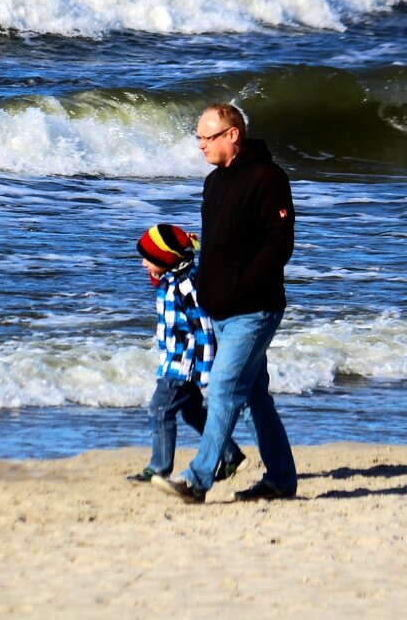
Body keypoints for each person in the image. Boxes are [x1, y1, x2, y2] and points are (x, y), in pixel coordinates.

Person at [153, 103, 297, 503]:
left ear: (232, 135)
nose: (200, 145)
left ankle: (197, 481)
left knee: (222, 389)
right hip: (218, 310)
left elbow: (279, 245)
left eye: (206, 137)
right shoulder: (214, 182)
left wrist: (240, 287)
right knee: (254, 398)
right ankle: (282, 479)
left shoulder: (269, 178)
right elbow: (214, 247)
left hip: (255, 307)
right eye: (197, 137)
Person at [127, 223, 246, 484]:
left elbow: (204, 329)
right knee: (192, 412)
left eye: (147, 259)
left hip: (183, 366)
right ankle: (229, 454)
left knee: (158, 411)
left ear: (165, 259)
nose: (143, 264)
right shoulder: (172, 279)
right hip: (176, 360)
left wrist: (205, 372)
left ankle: (159, 468)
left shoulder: (186, 286)